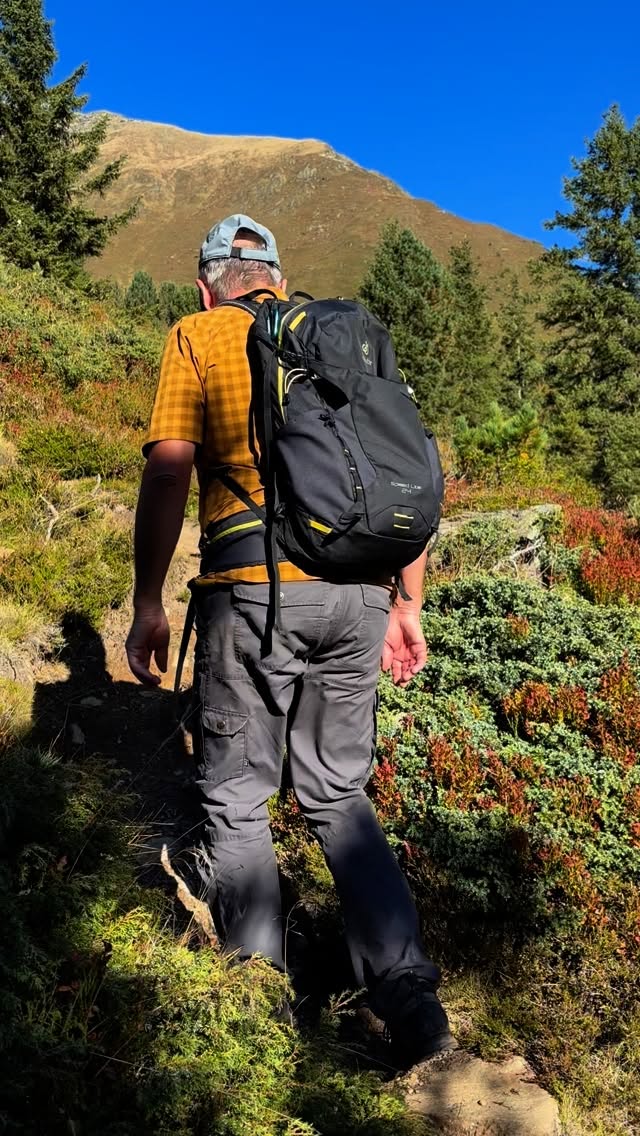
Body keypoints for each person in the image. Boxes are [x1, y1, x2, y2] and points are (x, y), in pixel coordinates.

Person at [125, 214, 455, 1064]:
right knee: (338, 796)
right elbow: (400, 467)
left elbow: (168, 467)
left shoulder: (197, 334)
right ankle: (408, 991)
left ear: (206, 284)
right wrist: (406, 605)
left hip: (255, 595)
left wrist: (147, 601)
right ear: (277, 275)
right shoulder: (341, 338)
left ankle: (261, 1006)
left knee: (236, 796)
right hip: (361, 598)